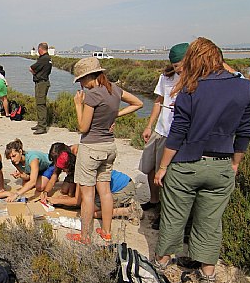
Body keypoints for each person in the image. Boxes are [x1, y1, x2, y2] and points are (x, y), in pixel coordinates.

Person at [153, 37, 250, 283]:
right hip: (221, 162)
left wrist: (163, 166)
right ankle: (208, 271)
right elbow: (245, 131)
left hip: (186, 163)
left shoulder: (191, 87)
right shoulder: (244, 87)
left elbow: (178, 131)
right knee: (210, 220)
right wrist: (235, 162)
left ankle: (162, 260)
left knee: (174, 215)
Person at [70, 57, 143, 244]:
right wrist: (115, 114)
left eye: (81, 80)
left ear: (89, 77)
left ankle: (85, 236)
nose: (81, 84)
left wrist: (79, 105)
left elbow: (83, 127)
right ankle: (107, 231)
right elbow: (138, 103)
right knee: (105, 191)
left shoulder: (93, 95)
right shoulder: (114, 90)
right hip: (109, 147)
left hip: (92, 148)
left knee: (88, 194)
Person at [139, 43, 189, 228]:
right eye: (176, 66)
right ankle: (154, 201)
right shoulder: (166, 78)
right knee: (150, 167)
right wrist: (149, 125)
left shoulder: (197, 80)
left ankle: (165, 213)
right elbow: (158, 102)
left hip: (175, 134)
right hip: (160, 130)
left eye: (182, 64)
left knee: (166, 174)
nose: (179, 69)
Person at [29, 42, 52, 134]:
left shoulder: (43, 59)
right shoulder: (48, 58)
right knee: (40, 103)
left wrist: (35, 73)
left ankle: (42, 126)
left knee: (41, 104)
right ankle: (40, 124)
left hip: (41, 83)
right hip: (43, 81)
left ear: (40, 49)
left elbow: (31, 68)